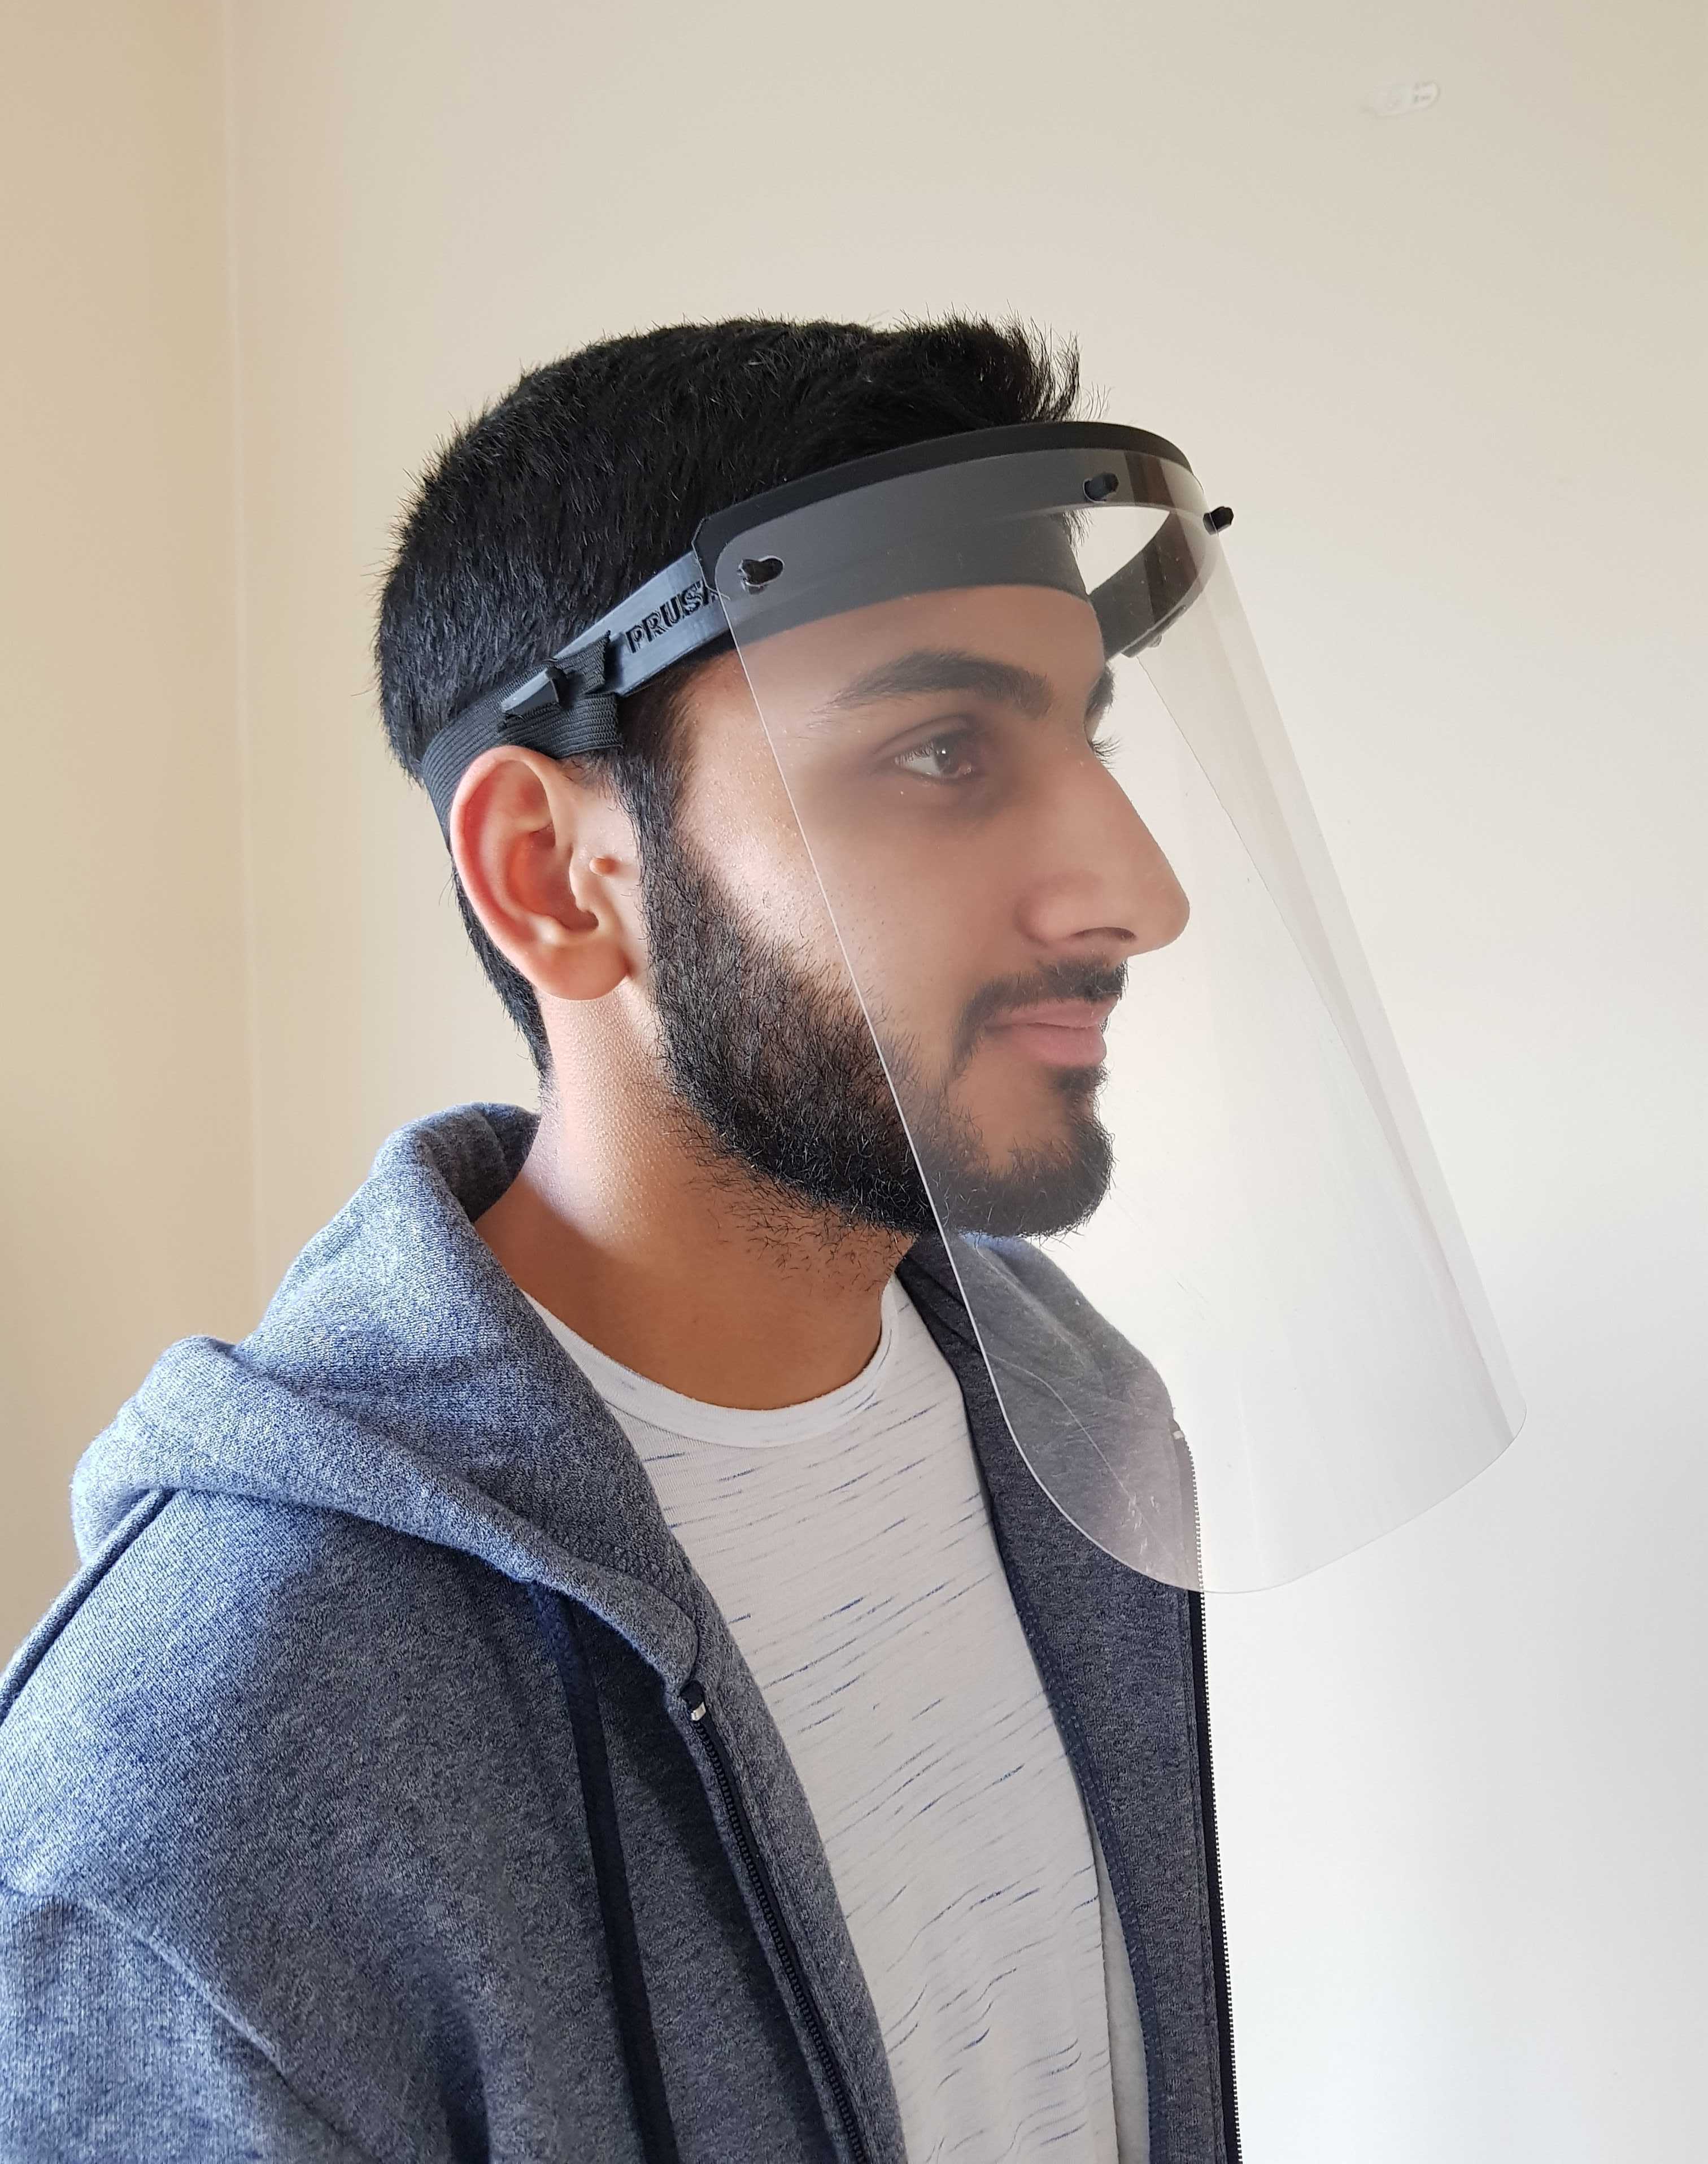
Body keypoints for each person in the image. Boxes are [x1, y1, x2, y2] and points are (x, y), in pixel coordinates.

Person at [0, 320, 1239, 2163]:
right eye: (940, 752)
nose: (1136, 890)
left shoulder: (1075, 1416)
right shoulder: (216, 1754)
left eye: (1080, 736)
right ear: (551, 874)